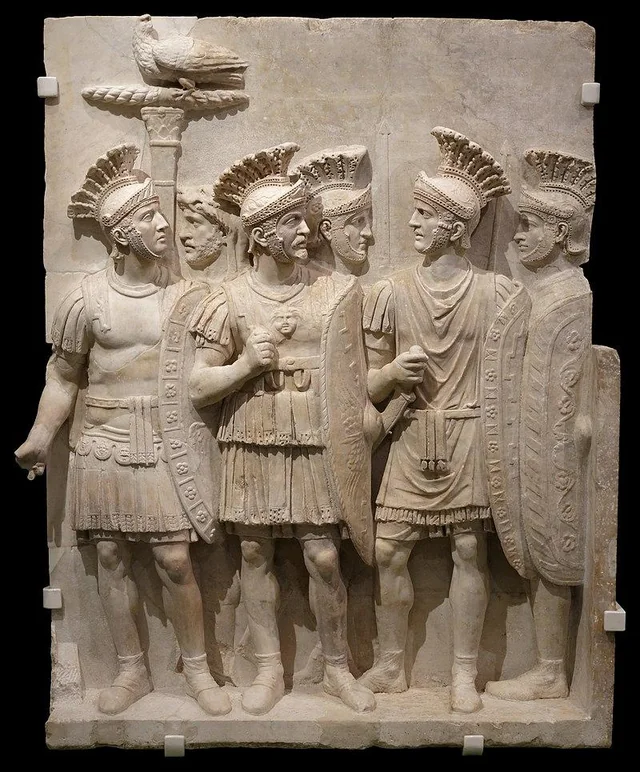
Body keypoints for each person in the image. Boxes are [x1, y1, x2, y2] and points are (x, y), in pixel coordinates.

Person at [15, 144, 230, 716]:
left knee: (175, 559)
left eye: (160, 214)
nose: (163, 225)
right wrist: (40, 435)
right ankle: (131, 668)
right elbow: (63, 376)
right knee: (110, 558)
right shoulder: (85, 300)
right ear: (121, 232)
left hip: (165, 442)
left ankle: (198, 668)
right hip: (103, 444)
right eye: (148, 216)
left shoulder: (186, 298)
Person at [189, 142, 379, 715]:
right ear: (261, 233)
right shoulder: (228, 299)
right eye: (293, 221)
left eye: (305, 219)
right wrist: (247, 365)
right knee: (254, 552)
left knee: (323, 556)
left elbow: (356, 375)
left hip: (316, 435)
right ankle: (269, 668)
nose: (307, 231)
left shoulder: (335, 291)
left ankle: (338, 667)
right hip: (253, 430)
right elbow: (197, 384)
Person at [359, 127, 514, 713]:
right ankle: (392, 664)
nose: (412, 223)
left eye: (424, 214)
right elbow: (367, 386)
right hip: (409, 430)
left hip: (470, 433)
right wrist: (393, 371)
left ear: (454, 226)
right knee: (389, 550)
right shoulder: (390, 292)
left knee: (469, 549)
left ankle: (463, 675)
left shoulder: (497, 294)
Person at [485, 150, 596, 701]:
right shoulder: (539, 293)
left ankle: (552, 670)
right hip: (531, 444)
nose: (518, 236)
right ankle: (549, 667)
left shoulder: (571, 296)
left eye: (529, 225)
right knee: (536, 541)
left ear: (560, 233)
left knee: (554, 543)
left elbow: (568, 388)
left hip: (556, 448)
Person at [294, 145, 374, 275]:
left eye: (369, 219)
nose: (368, 233)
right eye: (358, 221)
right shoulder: (309, 281)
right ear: (326, 229)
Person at [177, 185, 251, 279]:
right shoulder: (180, 285)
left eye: (195, 224)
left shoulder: (246, 286)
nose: (182, 234)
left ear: (223, 231)